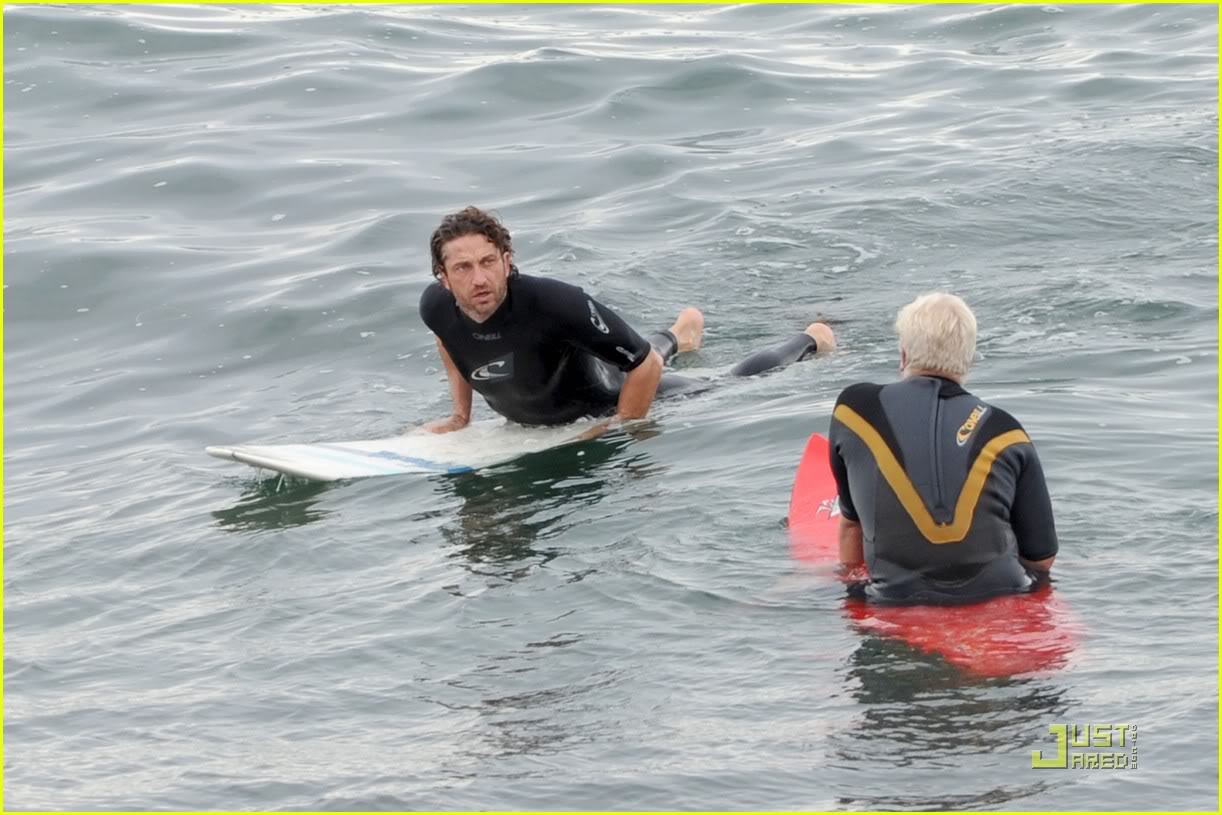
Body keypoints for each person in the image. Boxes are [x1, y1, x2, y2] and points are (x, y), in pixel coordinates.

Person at [419, 206, 836, 433]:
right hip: (573, 389)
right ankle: (681, 333)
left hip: (608, 397)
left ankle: (811, 338)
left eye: (488, 262)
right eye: (463, 268)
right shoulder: (436, 309)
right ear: (443, 278)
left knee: (727, 379)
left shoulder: (554, 304)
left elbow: (642, 366)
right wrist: (461, 416)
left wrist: (621, 424)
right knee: (636, 348)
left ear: (507, 262)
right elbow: (449, 341)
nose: (478, 278)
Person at [828, 292, 1057, 604]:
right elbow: (1041, 558)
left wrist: (850, 592)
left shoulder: (854, 411)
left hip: (893, 598)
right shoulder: (1008, 431)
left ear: (904, 354)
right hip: (1003, 593)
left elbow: (852, 525)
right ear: (969, 360)